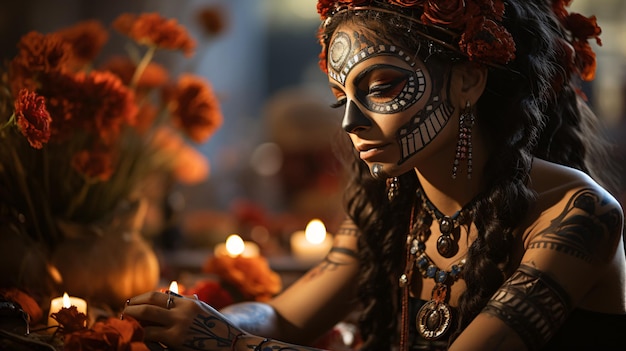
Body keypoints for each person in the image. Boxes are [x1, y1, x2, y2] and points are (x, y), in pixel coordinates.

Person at [123, 1, 626, 350]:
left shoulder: (578, 214)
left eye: (382, 87)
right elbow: (282, 317)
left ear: (469, 81)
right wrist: (203, 323)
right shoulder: (392, 204)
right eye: (341, 97)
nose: (350, 123)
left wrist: (228, 342)